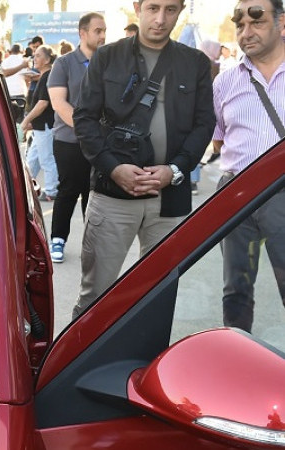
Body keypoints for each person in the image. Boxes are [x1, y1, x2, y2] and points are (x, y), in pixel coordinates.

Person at [71, 0, 216, 318]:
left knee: (157, 298)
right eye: (153, 8)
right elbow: (84, 118)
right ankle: (80, 368)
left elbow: (205, 123)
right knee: (95, 297)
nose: (161, 19)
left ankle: (147, 367)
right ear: (137, 7)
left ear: (180, 11)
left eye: (170, 9)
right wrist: (113, 167)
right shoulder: (108, 57)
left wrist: (175, 170)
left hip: (170, 199)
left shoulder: (195, 63)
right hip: (112, 197)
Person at [213, 0, 285, 333]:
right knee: (236, 291)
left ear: (281, 22)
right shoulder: (225, 82)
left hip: (282, 196)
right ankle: (237, 365)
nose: (246, 32)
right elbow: (219, 140)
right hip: (235, 195)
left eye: (256, 21)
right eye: (239, 24)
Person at [46, 12, 106, 263]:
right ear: (82, 33)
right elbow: (59, 102)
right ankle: (58, 239)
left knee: (95, 195)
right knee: (69, 190)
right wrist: (87, 133)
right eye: (97, 31)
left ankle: (91, 246)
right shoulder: (64, 63)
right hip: (70, 142)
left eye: (104, 30)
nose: (103, 36)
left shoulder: (110, 61)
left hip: (102, 143)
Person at [21, 45, 58, 201]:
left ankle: (51, 191)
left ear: (47, 59)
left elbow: (42, 103)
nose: (34, 59)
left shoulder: (48, 76)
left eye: (38, 56)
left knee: (46, 159)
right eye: (34, 56)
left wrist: (26, 120)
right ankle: (27, 187)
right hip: (39, 127)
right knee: (31, 160)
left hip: (45, 126)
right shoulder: (44, 76)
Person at [2, 44, 29, 123]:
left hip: (8, 94)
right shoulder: (23, 61)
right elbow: (27, 77)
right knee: (20, 121)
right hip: (20, 93)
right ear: (22, 51)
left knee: (9, 120)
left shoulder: (5, 61)